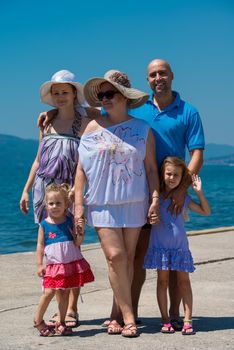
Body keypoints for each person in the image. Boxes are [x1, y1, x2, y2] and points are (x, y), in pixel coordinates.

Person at [74, 70, 160, 337]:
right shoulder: (91, 127)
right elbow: (80, 171)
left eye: (110, 94)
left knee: (128, 261)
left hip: (135, 202)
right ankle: (129, 316)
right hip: (100, 203)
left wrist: (155, 199)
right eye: (101, 96)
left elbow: (151, 170)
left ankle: (115, 315)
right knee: (115, 257)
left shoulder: (143, 129)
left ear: (124, 96)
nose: (105, 100)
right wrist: (78, 206)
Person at [20, 69, 98, 328]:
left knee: (73, 247)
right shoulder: (46, 122)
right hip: (46, 193)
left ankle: (72, 308)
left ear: (74, 93)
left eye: (65, 91)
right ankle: (57, 307)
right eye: (56, 93)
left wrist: (78, 191)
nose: (60, 96)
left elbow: (109, 113)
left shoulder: (84, 121)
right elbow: (38, 159)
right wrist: (26, 189)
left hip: (72, 193)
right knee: (53, 249)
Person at [144, 156, 210, 334]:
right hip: (160, 249)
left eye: (176, 175)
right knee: (162, 282)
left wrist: (199, 192)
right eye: (168, 174)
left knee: (184, 283)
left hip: (180, 248)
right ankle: (165, 320)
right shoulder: (153, 198)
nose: (171, 178)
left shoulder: (183, 198)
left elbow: (206, 211)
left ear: (182, 178)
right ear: (162, 174)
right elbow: (145, 217)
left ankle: (188, 320)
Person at [33, 183, 94, 336]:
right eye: (51, 203)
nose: (54, 206)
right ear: (46, 205)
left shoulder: (69, 221)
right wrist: (40, 264)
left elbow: (77, 243)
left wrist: (80, 232)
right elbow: (40, 246)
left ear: (66, 204)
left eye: (58, 203)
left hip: (68, 265)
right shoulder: (44, 225)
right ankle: (38, 321)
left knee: (65, 293)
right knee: (49, 292)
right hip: (53, 266)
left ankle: (61, 321)